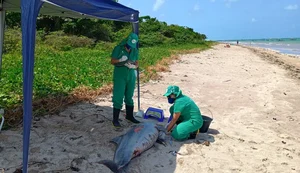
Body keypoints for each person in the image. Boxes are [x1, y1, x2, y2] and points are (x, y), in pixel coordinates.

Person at [110, 33, 140, 128]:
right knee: (118, 96)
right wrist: (120, 61)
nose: (130, 47)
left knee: (129, 95)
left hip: (131, 74)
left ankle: (129, 116)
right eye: (129, 45)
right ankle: (115, 120)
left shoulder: (135, 50)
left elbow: (137, 63)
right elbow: (112, 61)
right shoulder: (118, 48)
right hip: (120, 74)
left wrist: (134, 65)